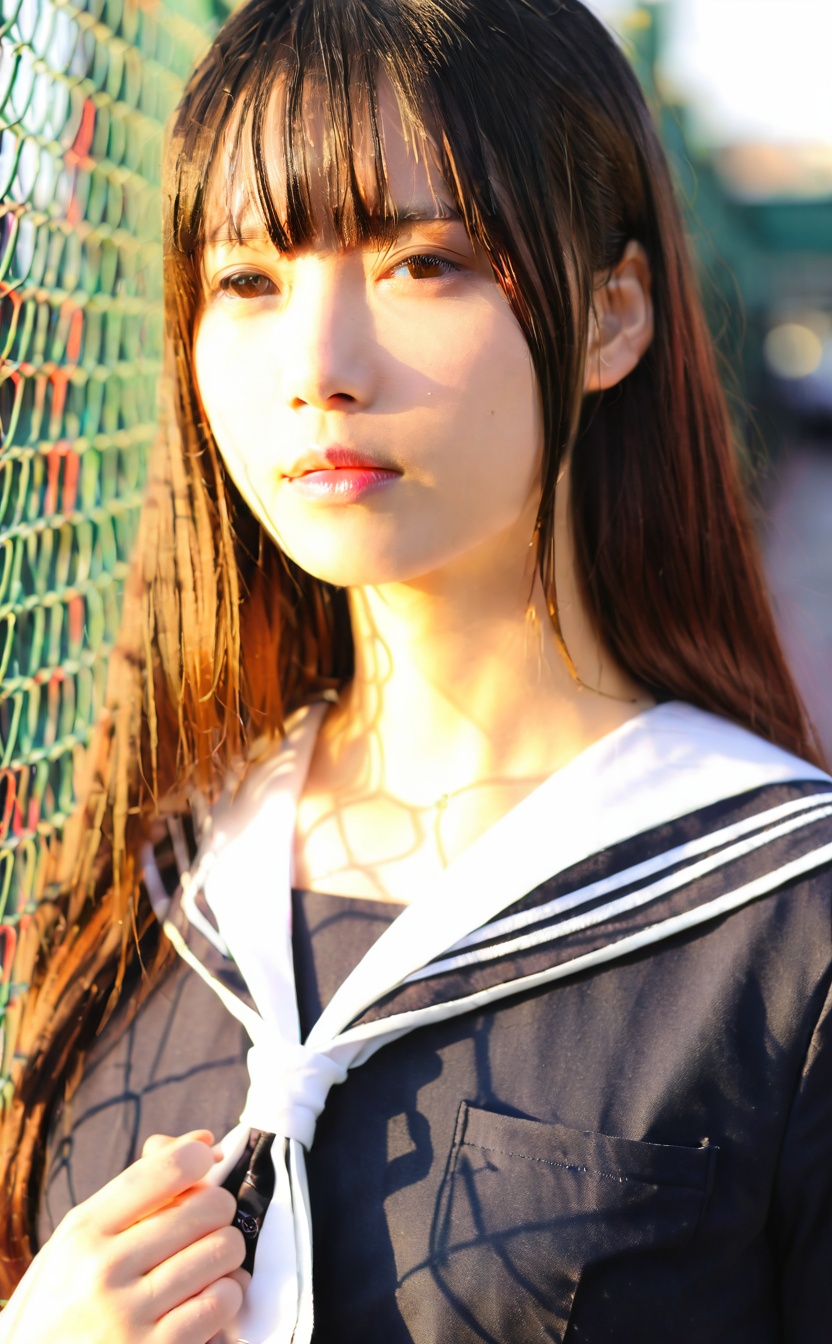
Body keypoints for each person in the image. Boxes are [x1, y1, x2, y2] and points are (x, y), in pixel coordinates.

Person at [1, 0, 831, 1340]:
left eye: (425, 263)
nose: (318, 370)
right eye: (248, 283)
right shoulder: (145, 877)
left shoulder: (786, 931)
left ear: (615, 315)